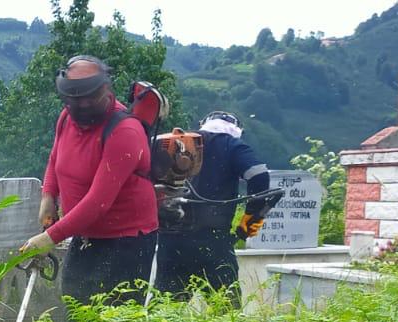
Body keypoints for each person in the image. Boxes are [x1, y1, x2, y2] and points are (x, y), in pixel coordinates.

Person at [19, 55, 159, 308]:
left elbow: (98, 202)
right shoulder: (66, 118)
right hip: (84, 236)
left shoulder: (125, 131)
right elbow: (55, 158)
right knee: (75, 308)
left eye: (89, 98)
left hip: (125, 242)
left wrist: (49, 238)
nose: (82, 105)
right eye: (74, 100)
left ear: (105, 89)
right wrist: (48, 195)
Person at [154, 111, 272, 302]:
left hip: (172, 240)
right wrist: (252, 216)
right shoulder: (231, 144)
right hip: (213, 242)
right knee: (225, 313)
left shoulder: (180, 141)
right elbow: (259, 175)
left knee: (165, 310)